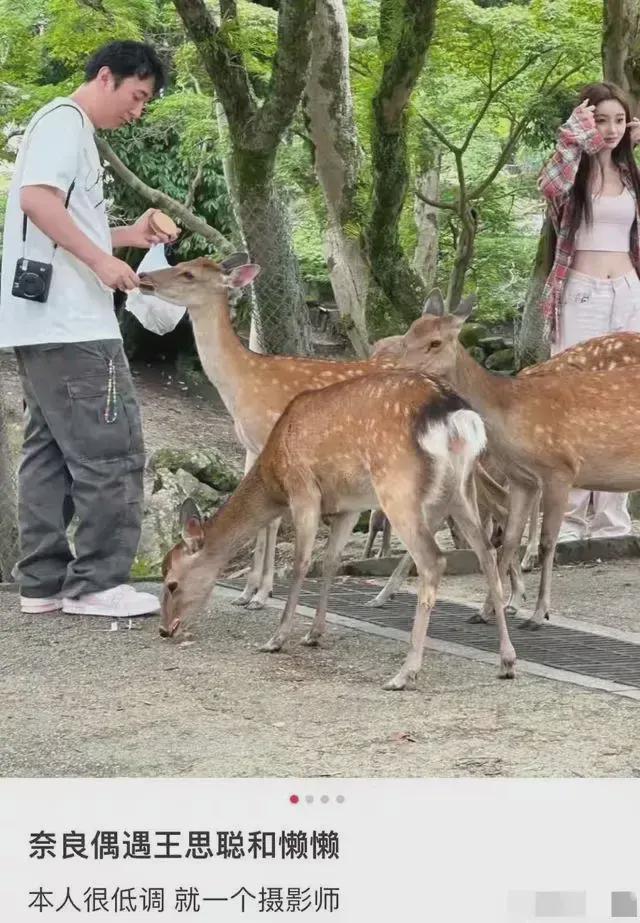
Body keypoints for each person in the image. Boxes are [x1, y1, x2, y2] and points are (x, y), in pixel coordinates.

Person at [0, 41, 179, 618]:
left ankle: (44, 584)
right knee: (112, 448)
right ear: (106, 77)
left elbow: (66, 225)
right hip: (72, 323)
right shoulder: (65, 123)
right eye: (137, 95)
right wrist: (104, 264)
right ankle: (98, 582)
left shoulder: (65, 128)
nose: (139, 111)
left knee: (48, 453)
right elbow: (35, 201)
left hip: (43, 323)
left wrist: (130, 236)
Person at [538, 81, 640, 541]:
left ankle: (613, 521)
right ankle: (568, 518)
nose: (612, 129)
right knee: (572, 400)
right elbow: (549, 185)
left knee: (626, 400)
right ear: (584, 120)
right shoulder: (572, 173)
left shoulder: (632, 175)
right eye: (602, 119)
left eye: (620, 120)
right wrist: (574, 139)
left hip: (628, 291)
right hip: (580, 291)